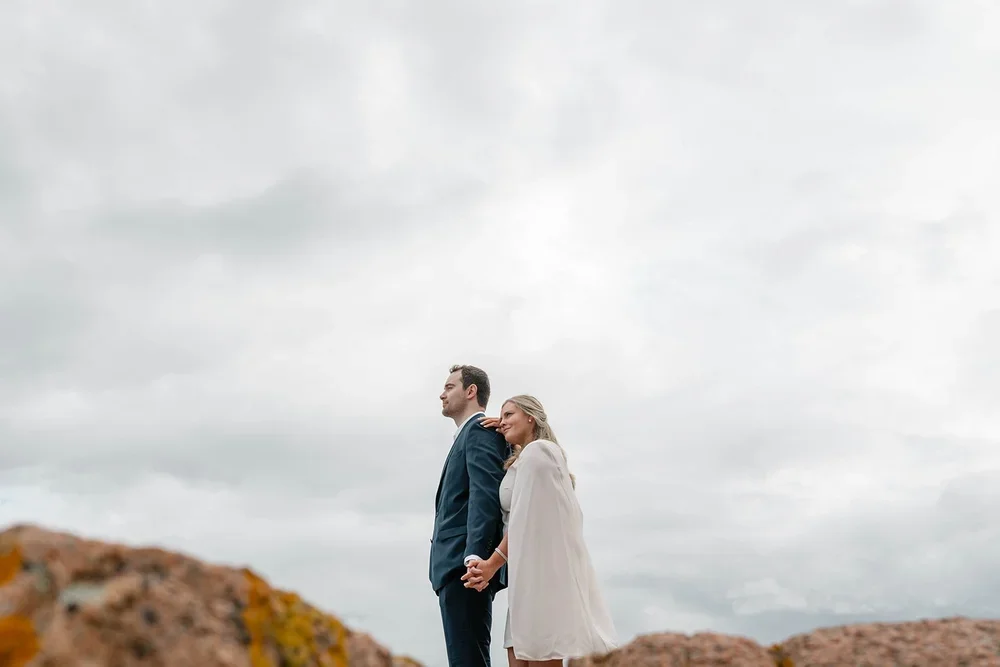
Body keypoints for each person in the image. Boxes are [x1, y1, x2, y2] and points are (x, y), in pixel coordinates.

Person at [462, 395, 619, 666]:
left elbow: (526, 517)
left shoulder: (541, 452)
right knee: (518, 652)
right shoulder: (520, 461)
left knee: (540, 652)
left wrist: (491, 564)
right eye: (501, 416)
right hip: (524, 580)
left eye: (510, 414)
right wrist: (501, 432)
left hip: (543, 581)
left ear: (531, 417)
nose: (502, 421)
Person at [430, 364, 510, 667]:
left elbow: (484, 496)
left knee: (468, 661)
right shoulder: (468, 435)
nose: (442, 394)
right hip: (453, 566)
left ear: (471, 391)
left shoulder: (480, 431)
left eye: (450, 387)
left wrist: (475, 557)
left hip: (465, 567)